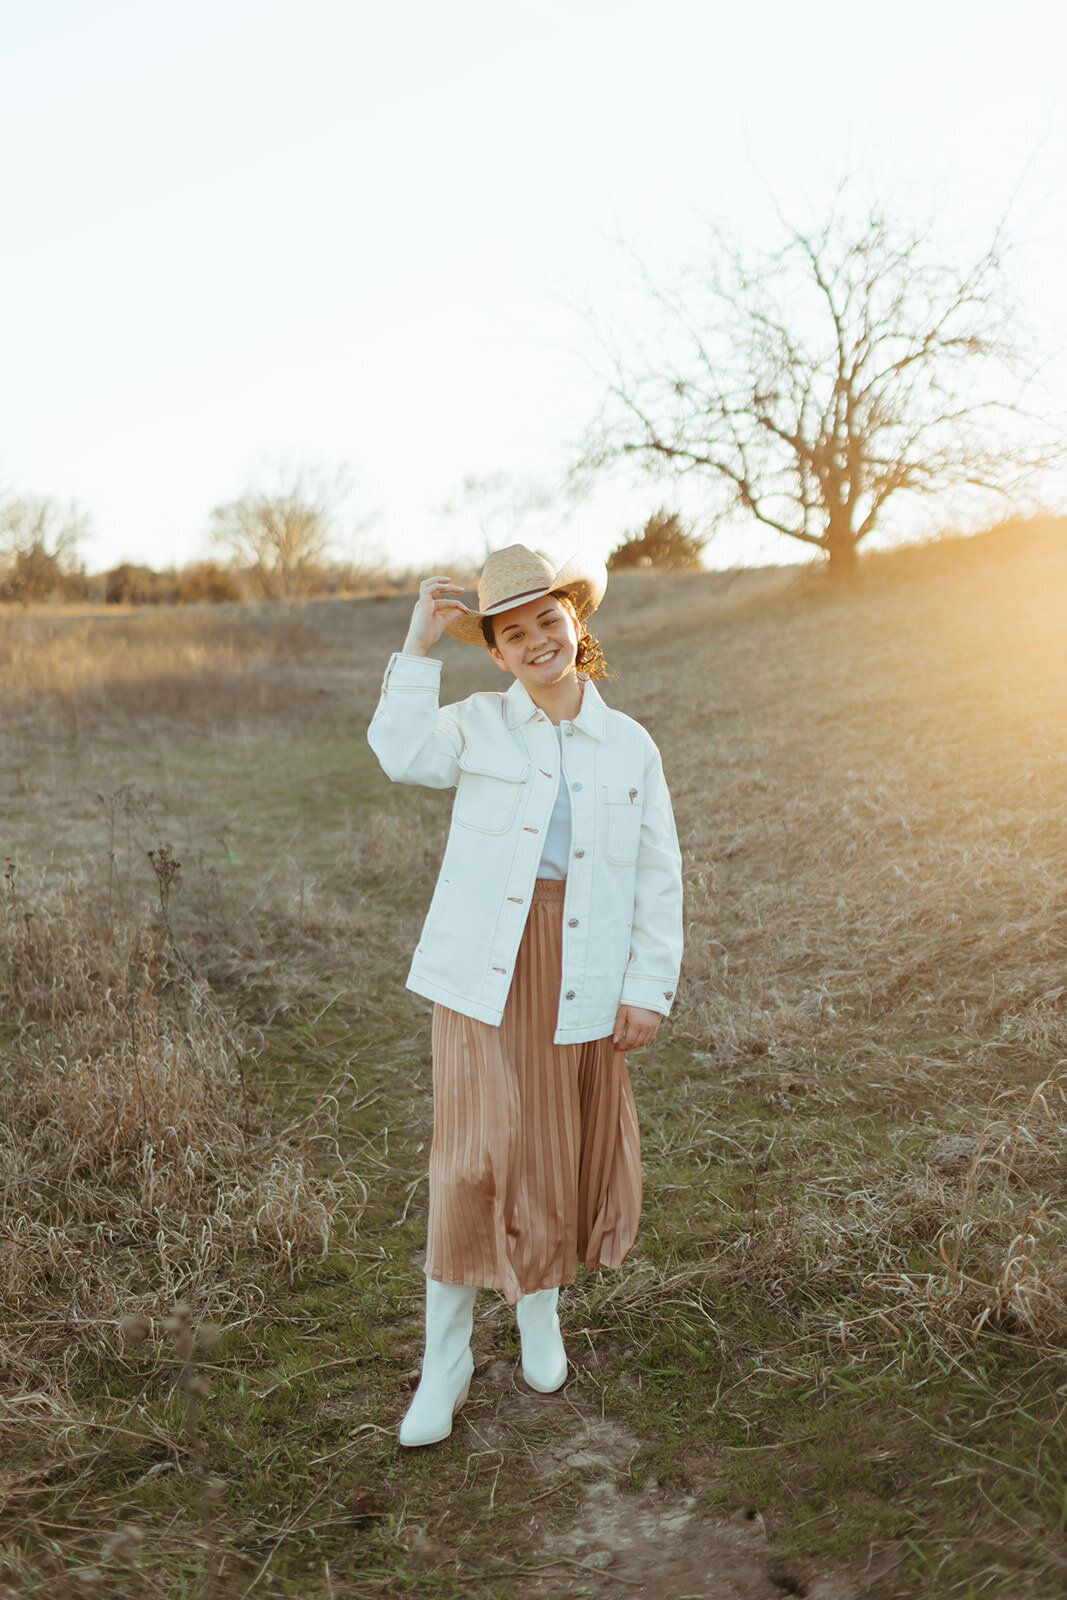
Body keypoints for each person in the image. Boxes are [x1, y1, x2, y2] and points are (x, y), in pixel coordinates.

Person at [367, 545, 683, 1447]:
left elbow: (658, 876)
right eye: (514, 632)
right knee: (470, 1159)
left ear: (576, 627)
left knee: (547, 1150)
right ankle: (447, 1361)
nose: (537, 639)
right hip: (481, 969)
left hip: (578, 967)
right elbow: (397, 754)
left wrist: (646, 987)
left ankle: (539, 1312)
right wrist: (418, 646)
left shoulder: (629, 746)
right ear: (497, 654)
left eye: (550, 620)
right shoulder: (475, 725)